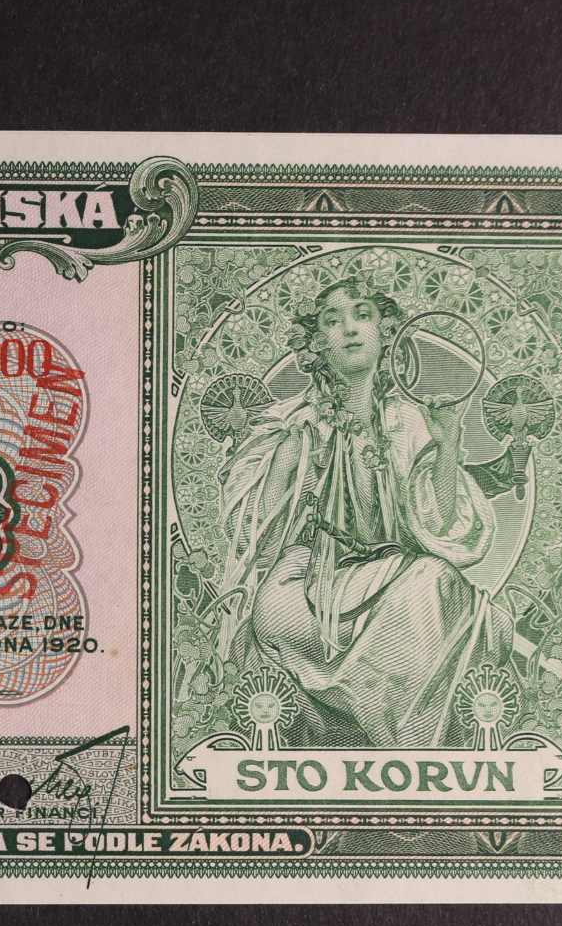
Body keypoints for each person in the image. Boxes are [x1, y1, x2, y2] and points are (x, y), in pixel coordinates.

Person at [215, 277, 513, 747]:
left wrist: (447, 444)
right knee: (274, 611)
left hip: (393, 578)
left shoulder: (410, 421)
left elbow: (446, 531)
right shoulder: (293, 424)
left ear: (386, 333)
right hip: (306, 584)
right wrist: (288, 460)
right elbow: (254, 536)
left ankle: (409, 743)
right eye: (333, 321)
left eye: (363, 316)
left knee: (431, 581)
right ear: (316, 342)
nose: (350, 329)